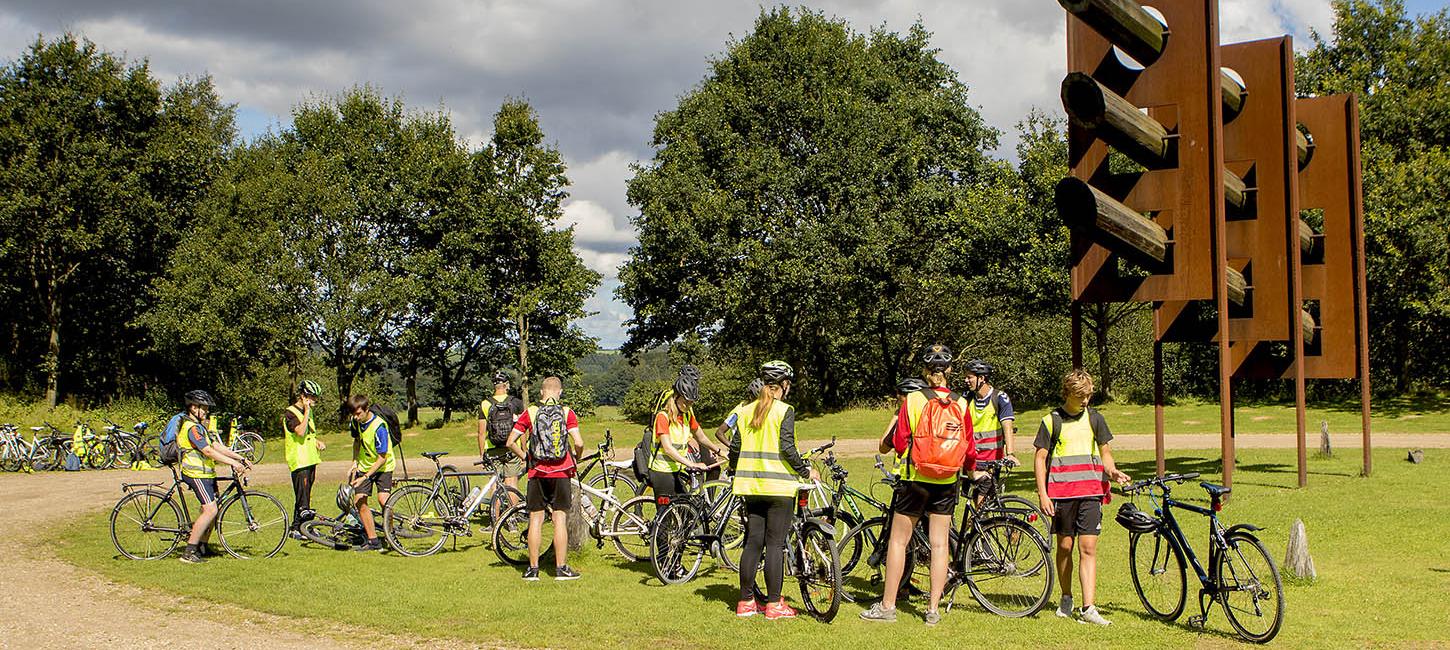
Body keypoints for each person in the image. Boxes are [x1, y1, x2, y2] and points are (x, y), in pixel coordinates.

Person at [861, 344, 975, 625]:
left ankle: (888, 606)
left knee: (898, 541)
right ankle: (933, 609)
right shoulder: (962, 402)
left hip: (916, 479)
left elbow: (900, 442)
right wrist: (971, 472)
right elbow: (970, 448)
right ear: (950, 371)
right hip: (948, 479)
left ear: (925, 372)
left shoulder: (913, 400)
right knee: (939, 545)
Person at [1033, 368, 1131, 626]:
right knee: (1065, 547)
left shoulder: (1095, 419)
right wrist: (1043, 494)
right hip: (1061, 495)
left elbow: (1106, 452)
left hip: (1091, 493)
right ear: (1068, 393)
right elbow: (1040, 458)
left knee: (1088, 549)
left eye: (1088, 396)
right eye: (1080, 396)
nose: (1085, 401)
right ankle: (1066, 597)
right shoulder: (1051, 421)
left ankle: (1088, 607)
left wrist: (1111, 471)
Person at [729, 360, 817, 620]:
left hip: (751, 487)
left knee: (753, 542)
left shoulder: (746, 411)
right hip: (779, 488)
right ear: (784, 385)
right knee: (775, 545)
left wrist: (734, 468)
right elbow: (787, 448)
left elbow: (735, 448)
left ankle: (746, 602)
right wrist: (806, 471)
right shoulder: (784, 410)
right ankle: (774, 604)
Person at [507, 376, 585, 581]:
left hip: (537, 472)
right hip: (561, 472)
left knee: (536, 519)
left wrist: (526, 458)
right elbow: (578, 442)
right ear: (560, 392)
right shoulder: (567, 412)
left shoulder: (531, 412)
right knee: (559, 518)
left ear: (542, 392)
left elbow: (510, 442)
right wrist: (576, 458)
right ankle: (561, 568)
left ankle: (533, 569)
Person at [177, 390, 251, 564]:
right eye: (204, 408)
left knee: (213, 509)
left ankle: (202, 546)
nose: (206, 411)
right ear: (193, 407)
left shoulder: (200, 427)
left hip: (206, 474)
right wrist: (232, 464)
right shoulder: (192, 428)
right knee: (211, 510)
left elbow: (217, 445)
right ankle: (189, 552)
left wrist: (240, 458)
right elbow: (208, 451)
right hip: (195, 474)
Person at [649, 371, 725, 499]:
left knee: (685, 508)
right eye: (686, 402)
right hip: (662, 472)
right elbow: (668, 448)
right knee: (665, 515)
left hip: (676, 470)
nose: (689, 406)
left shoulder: (687, 415)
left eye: (691, 403)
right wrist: (692, 464)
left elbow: (701, 437)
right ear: (676, 397)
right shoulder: (663, 417)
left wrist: (719, 451)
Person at [962, 360, 1017, 503]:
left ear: (982, 378)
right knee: (970, 500)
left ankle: (982, 525)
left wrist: (1010, 454)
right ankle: (977, 525)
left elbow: (1007, 427)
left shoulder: (999, 398)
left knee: (983, 501)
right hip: (970, 459)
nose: (966, 380)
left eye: (970, 377)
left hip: (991, 460)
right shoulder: (967, 398)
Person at [347, 395, 393, 552]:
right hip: (364, 465)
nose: (355, 417)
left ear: (367, 410)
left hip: (383, 466)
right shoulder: (356, 422)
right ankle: (373, 540)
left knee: (384, 501)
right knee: (359, 500)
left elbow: (382, 458)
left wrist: (365, 478)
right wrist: (354, 462)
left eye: (358, 413)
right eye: (353, 414)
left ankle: (391, 535)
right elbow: (357, 441)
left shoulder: (379, 427)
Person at [284, 380, 327, 540]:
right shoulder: (291, 413)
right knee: (303, 499)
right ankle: (306, 528)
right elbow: (300, 432)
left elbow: (308, 434)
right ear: (302, 396)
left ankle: (297, 528)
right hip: (299, 460)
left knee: (305, 495)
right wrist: (307, 411)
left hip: (310, 459)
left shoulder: (307, 412)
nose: (314, 400)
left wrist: (316, 442)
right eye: (311, 397)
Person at [478, 370, 525, 507]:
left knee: (494, 484)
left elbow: (481, 433)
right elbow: (521, 430)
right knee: (512, 483)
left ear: (494, 385)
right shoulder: (516, 402)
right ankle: (512, 520)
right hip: (512, 448)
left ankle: (495, 520)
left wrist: (482, 454)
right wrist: (523, 450)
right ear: (507, 385)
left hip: (492, 449)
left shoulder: (485, 404)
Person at [714, 378, 764, 448]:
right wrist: (733, 448)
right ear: (750, 396)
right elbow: (719, 433)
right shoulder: (738, 413)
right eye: (756, 399)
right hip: (738, 453)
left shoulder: (756, 410)